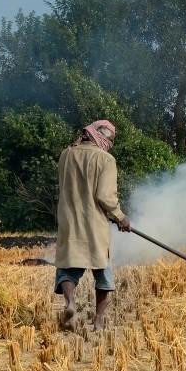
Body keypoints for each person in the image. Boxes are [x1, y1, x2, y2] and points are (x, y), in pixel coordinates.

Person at [54, 119, 131, 330]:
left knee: (67, 268)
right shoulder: (106, 159)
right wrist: (120, 217)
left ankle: (70, 302)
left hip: (69, 221)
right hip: (95, 223)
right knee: (103, 272)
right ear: (104, 139)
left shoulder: (66, 154)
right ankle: (98, 321)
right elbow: (105, 196)